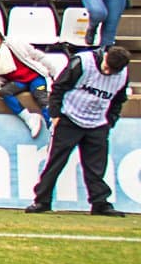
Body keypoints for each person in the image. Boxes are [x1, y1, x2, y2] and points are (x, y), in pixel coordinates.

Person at [26, 47, 130, 217]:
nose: (107, 71)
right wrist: (56, 114)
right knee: (56, 162)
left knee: (96, 167)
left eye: (112, 71)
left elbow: (119, 100)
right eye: (106, 66)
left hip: (98, 123)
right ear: (105, 56)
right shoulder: (83, 62)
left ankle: (100, 203)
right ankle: (42, 200)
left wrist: (109, 122)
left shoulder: (122, 75)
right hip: (69, 118)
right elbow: (59, 87)